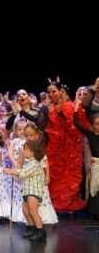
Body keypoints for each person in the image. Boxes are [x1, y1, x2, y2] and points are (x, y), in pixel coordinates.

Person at [39, 82, 89, 214]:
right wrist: (48, 112)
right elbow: (41, 126)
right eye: (49, 92)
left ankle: (70, 206)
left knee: (69, 177)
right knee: (55, 176)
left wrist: (60, 113)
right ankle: (55, 206)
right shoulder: (47, 107)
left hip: (70, 148)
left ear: (61, 91)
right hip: (55, 147)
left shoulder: (71, 106)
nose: (51, 94)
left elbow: (77, 129)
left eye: (53, 91)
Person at [3, 140, 48, 241]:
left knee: (33, 212)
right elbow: (22, 176)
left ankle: (40, 231)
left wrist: (12, 171)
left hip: (33, 191)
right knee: (26, 211)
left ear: (32, 152)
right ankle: (31, 229)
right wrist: (15, 175)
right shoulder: (28, 163)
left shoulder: (34, 163)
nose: (23, 151)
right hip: (27, 191)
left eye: (25, 149)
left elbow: (23, 173)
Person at [75, 101, 99, 219]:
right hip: (96, 165)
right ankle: (95, 211)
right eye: (97, 124)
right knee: (95, 188)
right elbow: (77, 124)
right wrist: (76, 108)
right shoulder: (90, 135)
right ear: (92, 126)